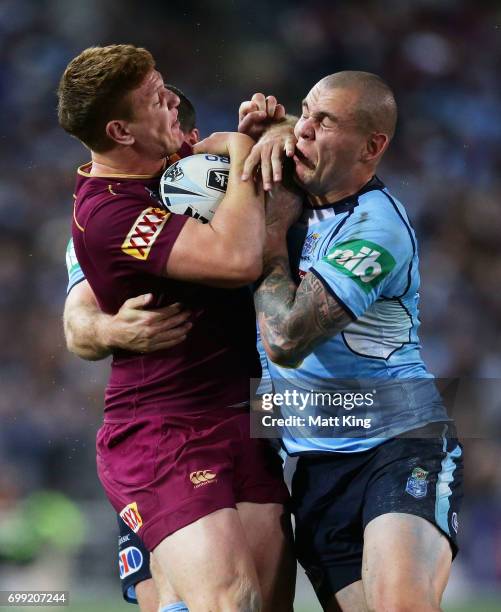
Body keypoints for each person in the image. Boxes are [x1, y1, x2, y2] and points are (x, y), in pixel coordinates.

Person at [58, 44, 294, 612]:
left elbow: (277, 173)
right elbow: (236, 260)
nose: (175, 106)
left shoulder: (177, 168)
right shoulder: (108, 212)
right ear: (120, 130)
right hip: (162, 425)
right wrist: (241, 151)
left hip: (244, 415)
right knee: (229, 599)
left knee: (261, 603)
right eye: (158, 99)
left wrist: (274, 135)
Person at [242, 72, 464, 612]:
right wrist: (265, 131)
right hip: (314, 461)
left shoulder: (375, 226)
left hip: (398, 444)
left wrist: (270, 241)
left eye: (326, 122)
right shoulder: (294, 182)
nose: (306, 131)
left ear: (373, 147)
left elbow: (287, 339)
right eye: (306, 112)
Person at [66, 83, 201, 612]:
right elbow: (78, 322)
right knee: (171, 594)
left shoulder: (240, 202)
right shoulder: (109, 218)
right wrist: (112, 330)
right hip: (164, 422)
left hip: (255, 411)